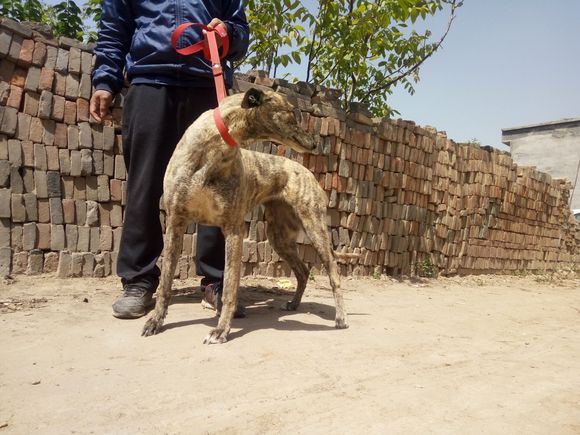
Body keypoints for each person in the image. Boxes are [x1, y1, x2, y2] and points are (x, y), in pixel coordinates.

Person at [89, 0, 250, 319]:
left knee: (216, 187)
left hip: (207, 85)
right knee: (143, 186)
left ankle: (216, 282)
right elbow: (113, 28)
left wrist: (226, 35)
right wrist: (105, 80)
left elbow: (240, 32)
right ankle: (139, 280)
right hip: (150, 82)